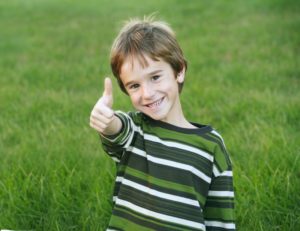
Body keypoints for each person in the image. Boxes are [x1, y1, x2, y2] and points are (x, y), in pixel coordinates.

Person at [90, 16, 235, 231]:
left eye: (155, 77)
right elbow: (117, 131)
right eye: (134, 85)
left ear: (179, 71)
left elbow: (220, 221)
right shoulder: (135, 130)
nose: (147, 93)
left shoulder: (212, 146)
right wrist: (107, 121)